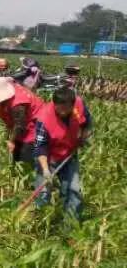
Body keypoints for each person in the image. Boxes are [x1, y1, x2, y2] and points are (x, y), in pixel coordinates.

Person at [31, 86, 92, 219]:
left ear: (72, 104)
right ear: (54, 104)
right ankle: (39, 223)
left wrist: (83, 136)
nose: (63, 112)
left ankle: (70, 226)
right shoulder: (44, 118)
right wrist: (46, 170)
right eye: (59, 108)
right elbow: (40, 147)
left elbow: (87, 121)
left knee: (73, 190)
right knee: (43, 191)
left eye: (66, 108)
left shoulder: (79, 105)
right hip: (48, 158)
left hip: (69, 154)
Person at [0, 76, 39, 179]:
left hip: (35, 126)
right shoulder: (10, 90)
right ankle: (17, 178)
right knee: (15, 155)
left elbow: (20, 124)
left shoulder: (18, 103)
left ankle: (29, 183)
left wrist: (11, 141)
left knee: (25, 157)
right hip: (23, 125)